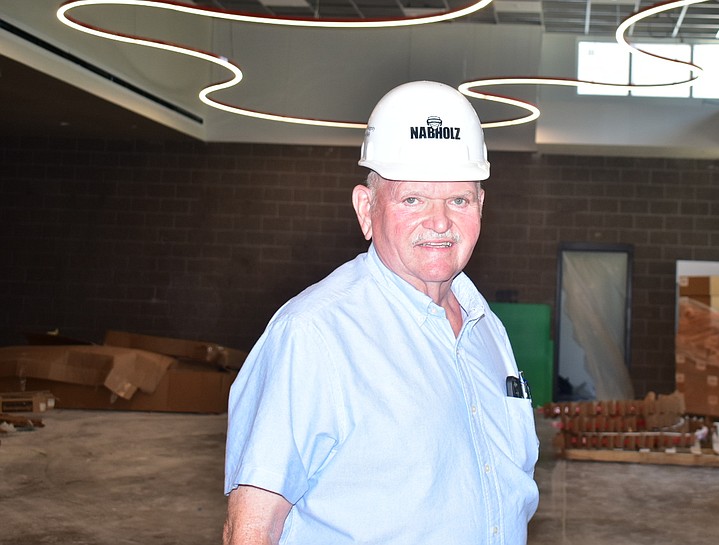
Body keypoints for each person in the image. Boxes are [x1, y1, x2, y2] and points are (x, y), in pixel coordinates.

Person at [223, 80, 540, 545]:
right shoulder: (314, 334)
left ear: (480, 207)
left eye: (458, 199)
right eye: (412, 199)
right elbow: (251, 527)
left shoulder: (486, 330)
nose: (439, 221)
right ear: (366, 210)